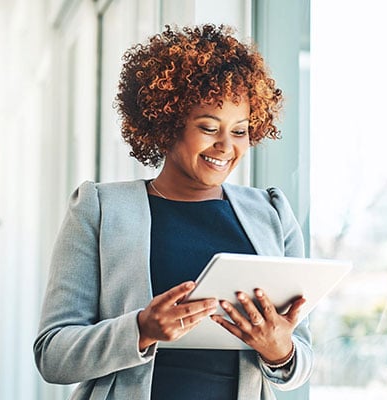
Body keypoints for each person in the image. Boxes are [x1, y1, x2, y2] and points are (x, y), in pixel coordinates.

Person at [33, 24, 312, 399]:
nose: (226, 146)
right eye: (209, 127)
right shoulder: (99, 209)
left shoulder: (272, 214)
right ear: (166, 125)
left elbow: (300, 359)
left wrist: (279, 349)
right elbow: (53, 355)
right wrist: (142, 329)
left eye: (241, 131)